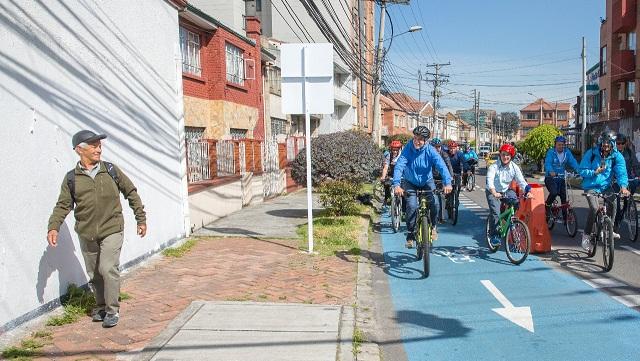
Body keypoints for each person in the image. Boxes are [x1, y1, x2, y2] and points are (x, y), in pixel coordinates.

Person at [47, 130, 147, 328]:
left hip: (112, 228)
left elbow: (131, 192)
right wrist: (54, 226)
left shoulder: (111, 171)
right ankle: (100, 307)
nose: (98, 149)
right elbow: (63, 205)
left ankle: (112, 310)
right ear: (79, 150)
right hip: (87, 232)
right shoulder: (72, 179)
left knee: (107, 267)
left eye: (99, 145)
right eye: (93, 145)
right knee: (94, 273)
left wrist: (140, 218)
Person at [393, 126, 453, 248]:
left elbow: (441, 166)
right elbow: (399, 166)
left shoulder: (431, 151)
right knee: (412, 205)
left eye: (420, 139)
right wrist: (397, 184)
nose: (416, 141)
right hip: (410, 181)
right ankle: (410, 233)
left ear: (426, 140)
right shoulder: (408, 149)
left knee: (435, 202)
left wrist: (448, 183)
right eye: (415, 137)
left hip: (427, 181)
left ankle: (434, 227)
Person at [579, 129, 629, 251]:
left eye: (609, 142)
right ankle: (586, 235)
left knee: (613, 202)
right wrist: (594, 172)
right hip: (590, 186)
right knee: (595, 208)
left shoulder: (617, 156)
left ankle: (609, 229)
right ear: (600, 142)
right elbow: (581, 170)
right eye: (604, 142)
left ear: (613, 143)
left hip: (606, 186)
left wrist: (623, 187)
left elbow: (622, 173)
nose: (605, 145)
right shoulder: (591, 154)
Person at [486, 143, 532, 247]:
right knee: (495, 213)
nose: (505, 157)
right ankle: (494, 236)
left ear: (511, 156)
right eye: (503, 154)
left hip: (505, 190)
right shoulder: (494, 166)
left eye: (508, 155)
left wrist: (528, 191)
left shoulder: (514, 167)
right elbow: (490, 180)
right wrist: (494, 192)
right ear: (500, 155)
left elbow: (521, 181)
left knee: (516, 201)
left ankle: (508, 221)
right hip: (492, 191)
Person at [544, 136, 579, 219]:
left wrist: (579, 171)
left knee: (564, 197)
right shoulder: (551, 152)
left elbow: (573, 162)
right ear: (555, 145)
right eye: (559, 145)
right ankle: (547, 206)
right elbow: (548, 163)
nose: (561, 146)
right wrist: (551, 171)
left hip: (561, 178)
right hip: (550, 178)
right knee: (554, 192)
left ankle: (565, 217)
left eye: (563, 145)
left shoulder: (567, 152)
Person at [614, 133, 639, 226]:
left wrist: (637, 175)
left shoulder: (629, 152)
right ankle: (615, 222)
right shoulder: (613, 153)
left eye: (622, 143)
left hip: (627, 177)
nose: (620, 145)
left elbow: (635, 165)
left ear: (625, 143)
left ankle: (624, 208)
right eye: (618, 143)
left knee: (633, 186)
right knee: (615, 202)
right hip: (615, 179)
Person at [445, 141, 467, 214]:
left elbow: (464, 163)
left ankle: (456, 197)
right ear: (448, 148)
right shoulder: (446, 154)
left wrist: (468, 169)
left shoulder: (460, 154)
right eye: (451, 148)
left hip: (457, 173)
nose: (452, 150)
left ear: (456, 148)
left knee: (457, 188)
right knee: (448, 189)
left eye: (454, 148)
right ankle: (448, 199)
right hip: (448, 174)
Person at [381, 140, 403, 205]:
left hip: (402, 174)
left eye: (396, 150)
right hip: (392, 174)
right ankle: (387, 199)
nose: (395, 152)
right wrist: (383, 177)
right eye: (393, 150)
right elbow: (386, 167)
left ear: (399, 149)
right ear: (391, 149)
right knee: (386, 184)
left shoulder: (402, 156)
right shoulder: (389, 155)